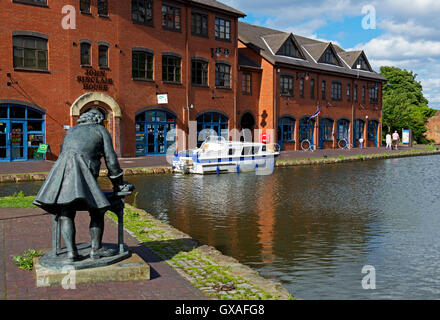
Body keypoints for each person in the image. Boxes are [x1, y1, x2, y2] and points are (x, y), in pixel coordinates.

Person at [33, 109, 132, 261]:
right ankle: (96, 249)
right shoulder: (100, 130)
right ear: (98, 120)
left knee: (66, 213)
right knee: (97, 210)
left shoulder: (71, 131)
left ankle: (72, 253)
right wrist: (118, 184)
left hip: (63, 180)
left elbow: (63, 155)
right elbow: (111, 160)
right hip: (85, 178)